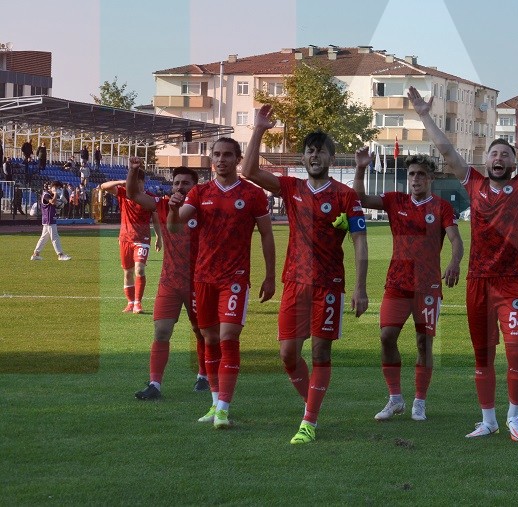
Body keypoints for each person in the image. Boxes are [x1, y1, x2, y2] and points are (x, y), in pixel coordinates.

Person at [409, 83, 518, 442]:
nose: (499, 158)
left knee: (515, 353)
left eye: (505, 154)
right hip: (478, 281)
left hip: (511, 283)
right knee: (482, 355)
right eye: (494, 153)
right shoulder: (473, 184)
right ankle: (488, 419)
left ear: (513, 162)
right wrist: (425, 116)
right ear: (486, 160)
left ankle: (514, 416)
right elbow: (446, 150)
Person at [242, 105, 366, 444]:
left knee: (321, 353)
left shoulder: (346, 196)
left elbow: (359, 241)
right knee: (287, 354)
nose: (315, 156)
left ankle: (308, 421)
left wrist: (360, 287)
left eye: (321, 152)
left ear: (331, 158)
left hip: (329, 285)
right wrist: (258, 130)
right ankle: (312, 402)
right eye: (310, 151)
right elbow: (249, 170)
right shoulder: (291, 188)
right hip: (295, 283)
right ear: (305, 157)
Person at [168, 136, 275, 430]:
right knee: (210, 339)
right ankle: (215, 402)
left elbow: (266, 235)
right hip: (203, 277)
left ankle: (224, 409)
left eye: (228, 154)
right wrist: (173, 208)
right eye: (216, 154)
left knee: (228, 338)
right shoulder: (200, 192)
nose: (221, 159)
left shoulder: (253, 195)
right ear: (211, 159)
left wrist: (269, 275)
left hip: (235, 278)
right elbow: (176, 227)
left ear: (237, 159)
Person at [353, 146, 463, 424]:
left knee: (423, 343)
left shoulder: (441, 207)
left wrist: (454, 262)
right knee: (386, 336)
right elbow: (360, 198)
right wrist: (361, 167)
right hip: (397, 283)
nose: (416, 179)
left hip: (427, 287)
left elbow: (455, 240)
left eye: (421, 175)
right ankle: (395, 399)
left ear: (431, 179)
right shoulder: (395, 201)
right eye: (412, 174)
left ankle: (419, 402)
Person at [125, 158, 209, 401]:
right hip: (170, 281)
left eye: (186, 183)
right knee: (161, 331)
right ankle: (155, 384)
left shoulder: (204, 207)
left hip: (198, 281)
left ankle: (203, 375)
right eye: (176, 183)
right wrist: (133, 170)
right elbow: (132, 193)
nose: (180, 187)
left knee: (200, 331)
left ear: (195, 186)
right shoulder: (161, 205)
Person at [98, 177, 161, 314]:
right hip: (125, 238)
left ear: (143, 182)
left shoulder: (150, 198)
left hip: (142, 239)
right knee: (127, 272)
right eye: (132, 181)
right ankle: (130, 303)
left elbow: (155, 219)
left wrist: (158, 237)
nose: (135, 184)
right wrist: (120, 182)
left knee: (139, 269)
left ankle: (138, 303)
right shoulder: (123, 192)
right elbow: (103, 186)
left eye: (138, 181)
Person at [30, 181, 72, 261]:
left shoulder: (49, 194)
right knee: (55, 237)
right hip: (49, 218)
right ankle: (60, 255)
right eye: (58, 188)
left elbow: (55, 203)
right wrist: (55, 193)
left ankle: (36, 254)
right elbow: (52, 202)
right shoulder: (46, 195)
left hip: (49, 218)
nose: (59, 190)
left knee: (44, 237)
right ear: (54, 187)